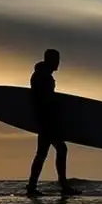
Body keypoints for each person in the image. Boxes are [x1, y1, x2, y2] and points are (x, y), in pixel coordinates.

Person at [27, 48, 79, 196]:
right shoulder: (41, 76)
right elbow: (43, 99)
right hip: (46, 120)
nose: (58, 63)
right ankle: (62, 186)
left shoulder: (43, 75)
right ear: (50, 60)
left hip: (45, 119)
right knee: (58, 150)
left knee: (44, 153)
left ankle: (33, 187)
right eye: (56, 60)